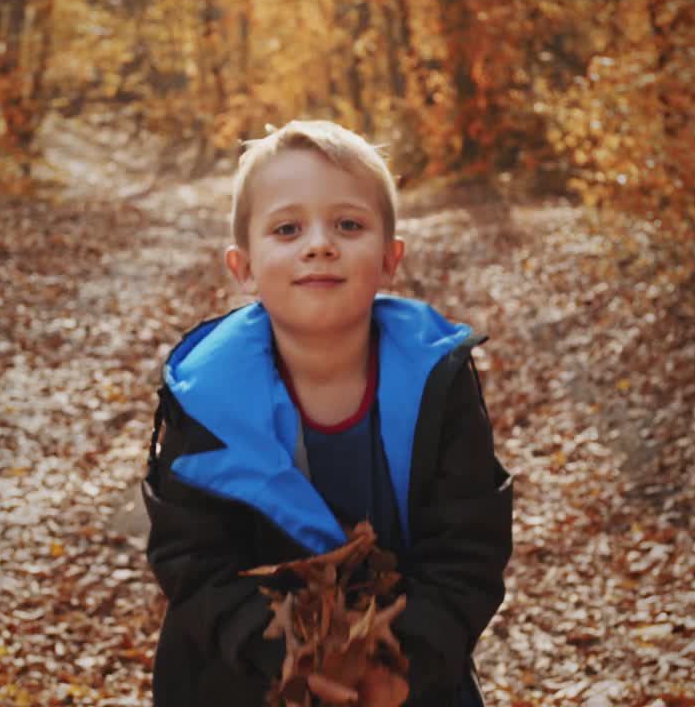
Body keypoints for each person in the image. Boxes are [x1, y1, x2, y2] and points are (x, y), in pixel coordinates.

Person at [142, 119, 512, 706]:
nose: (320, 244)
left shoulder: (438, 384)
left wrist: (402, 662)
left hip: (408, 678)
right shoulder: (206, 396)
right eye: (288, 228)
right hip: (241, 678)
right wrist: (288, 658)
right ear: (243, 268)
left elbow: (470, 548)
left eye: (348, 224)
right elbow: (191, 560)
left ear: (390, 260)